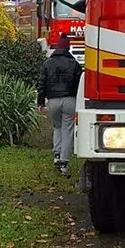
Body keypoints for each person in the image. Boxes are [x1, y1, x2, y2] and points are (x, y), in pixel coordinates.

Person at [39, 34, 82, 175]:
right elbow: (79, 84)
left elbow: (42, 84)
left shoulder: (47, 63)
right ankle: (64, 162)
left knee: (57, 127)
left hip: (52, 101)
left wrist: (40, 101)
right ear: (68, 48)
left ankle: (57, 155)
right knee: (67, 130)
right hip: (69, 100)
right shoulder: (74, 63)